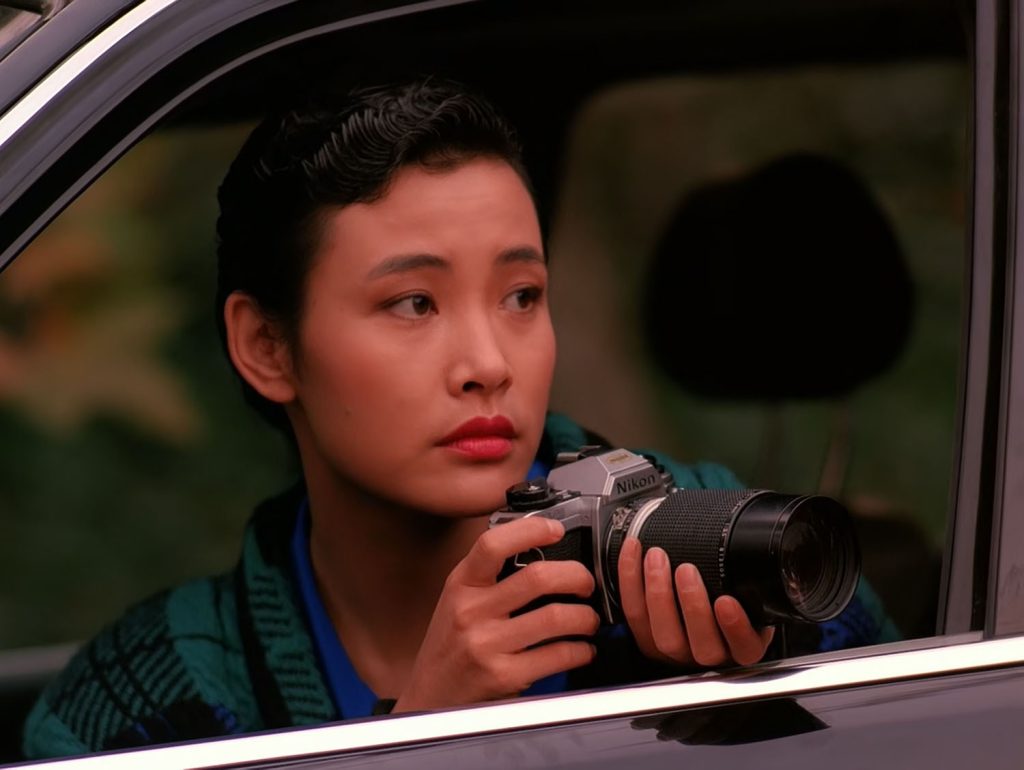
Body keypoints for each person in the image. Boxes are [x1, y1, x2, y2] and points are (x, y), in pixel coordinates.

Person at [22, 78, 897, 760]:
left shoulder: (711, 538)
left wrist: (756, 698)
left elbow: (942, 728)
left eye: (522, 295)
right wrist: (417, 737)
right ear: (266, 347)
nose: (489, 363)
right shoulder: (149, 694)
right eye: (413, 303)